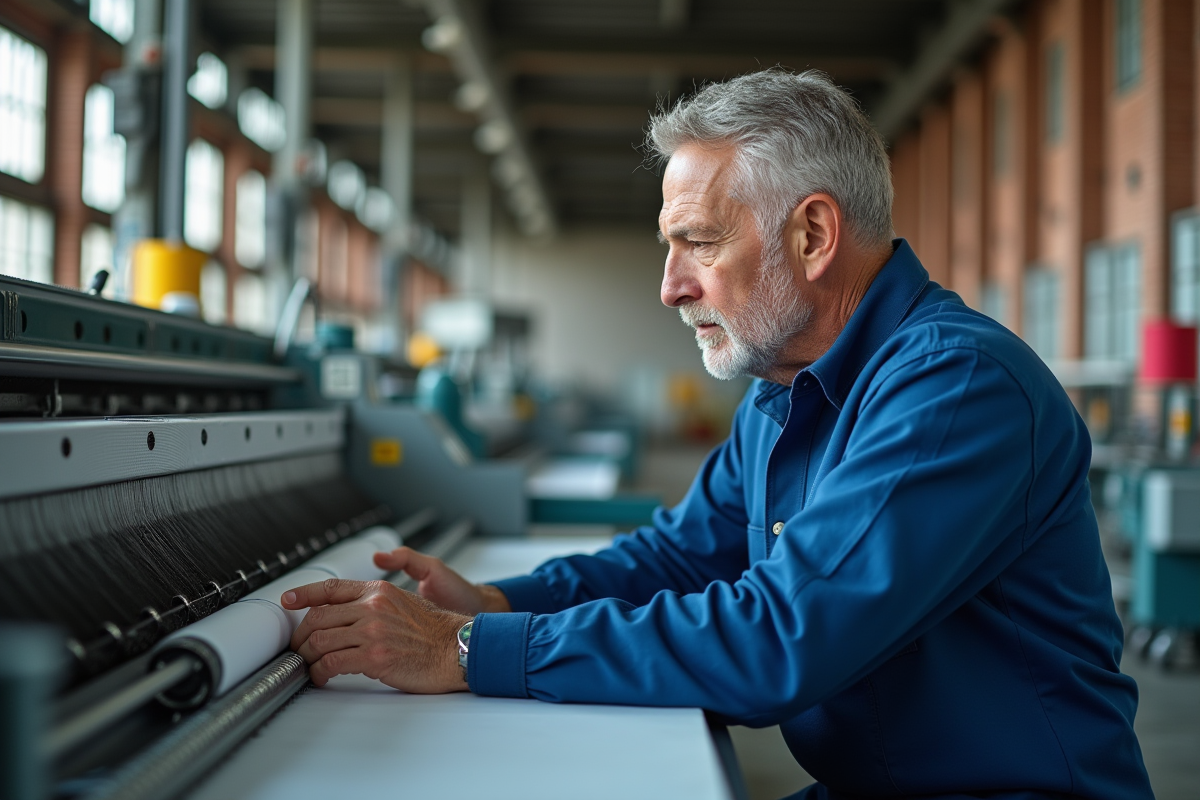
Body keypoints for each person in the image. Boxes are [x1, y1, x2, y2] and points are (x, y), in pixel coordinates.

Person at [281, 70, 1154, 799]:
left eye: (697, 243)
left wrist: (464, 652)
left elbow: (781, 638)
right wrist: (501, 604)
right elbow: (680, 557)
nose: (671, 287)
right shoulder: (784, 389)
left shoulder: (954, 389)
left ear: (813, 235)